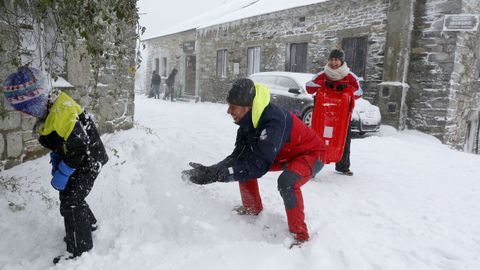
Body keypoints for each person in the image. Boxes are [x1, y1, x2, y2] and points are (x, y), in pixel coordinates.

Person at [182, 78, 324, 246]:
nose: (229, 111)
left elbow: (258, 167)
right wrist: (211, 171)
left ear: (247, 106)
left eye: (233, 106)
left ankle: (300, 236)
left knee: (287, 182)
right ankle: (252, 208)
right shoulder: (247, 122)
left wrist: (221, 175)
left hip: (312, 154)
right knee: (243, 163)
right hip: (284, 153)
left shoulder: (273, 122)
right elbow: (238, 157)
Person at [2, 66, 109, 264]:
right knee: (70, 194)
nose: (25, 115)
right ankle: (88, 225)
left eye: (25, 109)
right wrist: (58, 158)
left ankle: (79, 249)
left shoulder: (62, 112)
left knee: (71, 200)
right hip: (78, 156)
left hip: (89, 158)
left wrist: (64, 171)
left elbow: (79, 146)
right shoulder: (49, 108)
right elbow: (63, 141)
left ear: (33, 102)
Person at [306, 48, 361, 176]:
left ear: (341, 61)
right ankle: (313, 166)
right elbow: (309, 86)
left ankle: (343, 166)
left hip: (341, 117)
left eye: (336, 59)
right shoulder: (323, 74)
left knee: (344, 140)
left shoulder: (349, 76)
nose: (333, 62)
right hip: (323, 115)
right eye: (331, 59)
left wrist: (346, 88)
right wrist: (324, 84)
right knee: (317, 139)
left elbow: (359, 92)